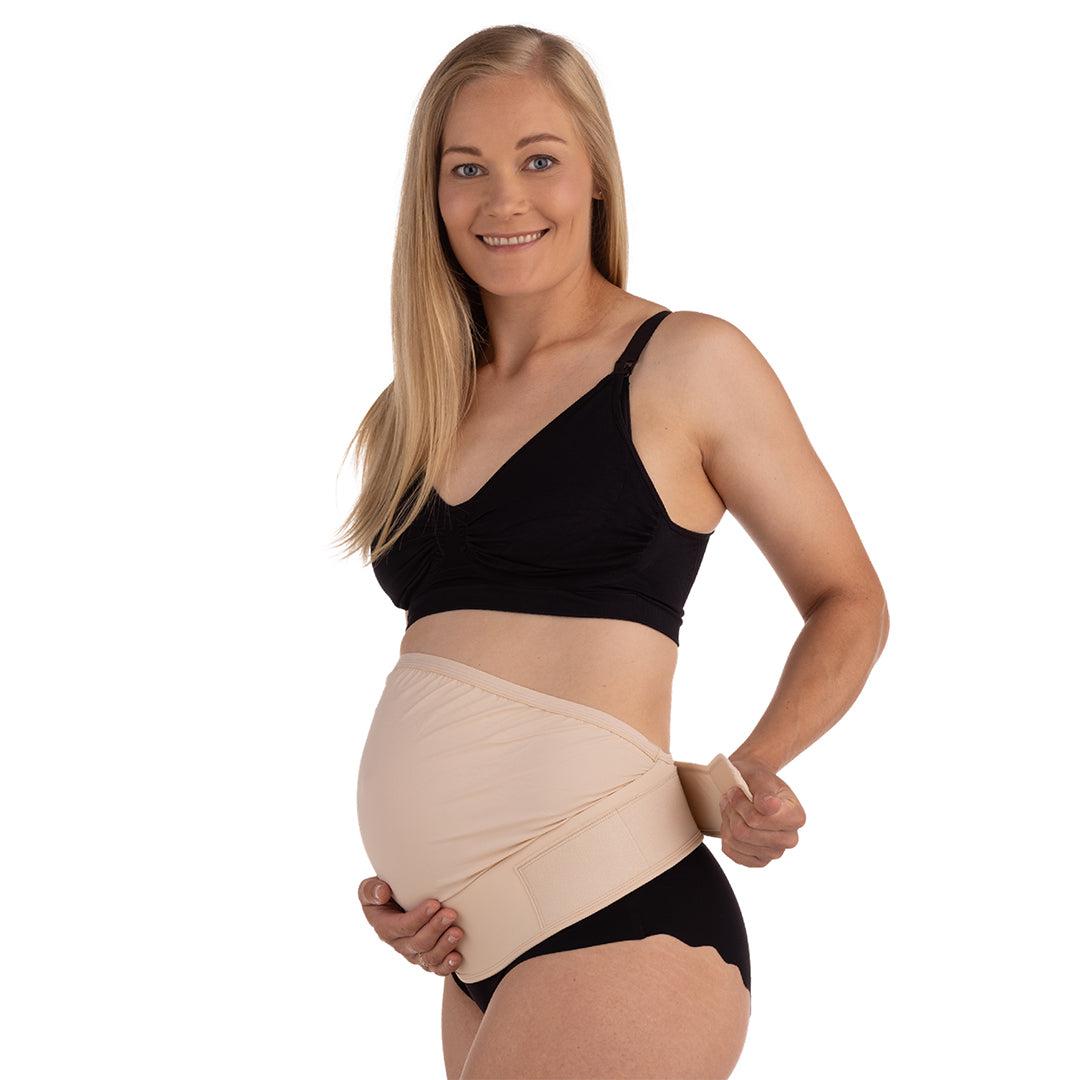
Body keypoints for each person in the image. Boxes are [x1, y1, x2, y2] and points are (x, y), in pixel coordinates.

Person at [336, 24, 889, 1080]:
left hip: (620, 911)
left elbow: (848, 597)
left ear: (595, 175)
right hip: (470, 949)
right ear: (431, 194)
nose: (504, 200)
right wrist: (409, 882)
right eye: (467, 169)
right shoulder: (413, 409)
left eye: (539, 159)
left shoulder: (686, 363)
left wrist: (752, 768)